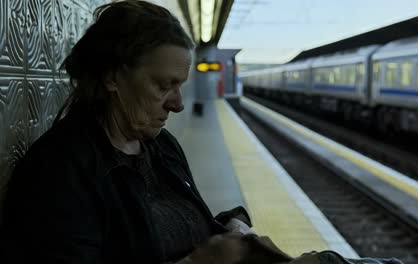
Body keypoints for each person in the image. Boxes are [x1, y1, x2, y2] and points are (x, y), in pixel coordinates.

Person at [1, 1, 255, 263]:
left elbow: (178, 227)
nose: (178, 104)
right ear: (112, 76)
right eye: (163, 85)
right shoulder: (58, 173)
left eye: (180, 86)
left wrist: (231, 225)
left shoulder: (163, 147)